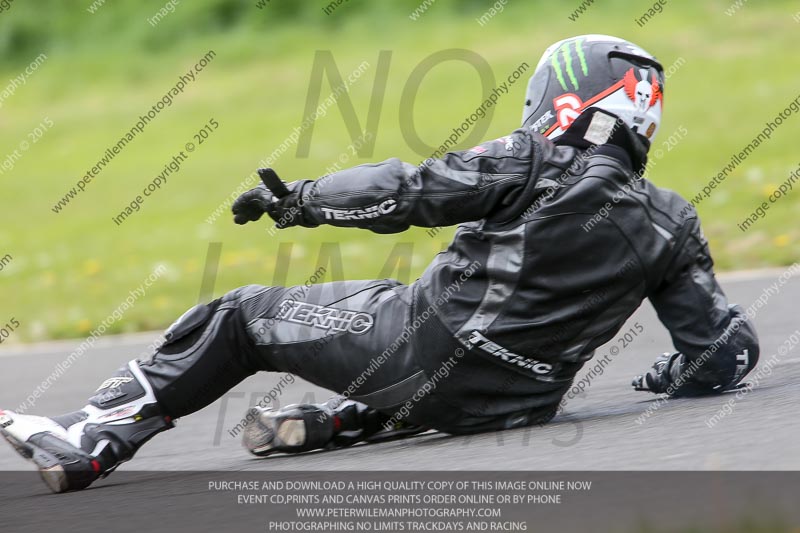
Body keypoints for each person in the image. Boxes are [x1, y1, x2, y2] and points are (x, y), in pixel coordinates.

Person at [0, 35, 759, 493]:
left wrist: (301, 201)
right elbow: (723, 351)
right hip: (522, 403)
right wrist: (673, 376)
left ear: (566, 99)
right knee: (414, 331)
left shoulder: (532, 160)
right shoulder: (672, 221)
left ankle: (97, 433)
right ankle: (340, 422)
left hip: (415, 347)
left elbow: (407, 190)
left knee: (236, 316)